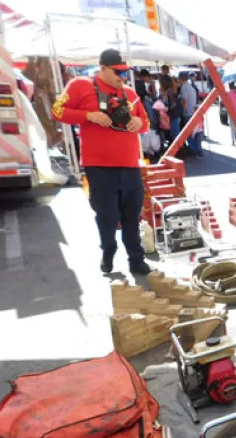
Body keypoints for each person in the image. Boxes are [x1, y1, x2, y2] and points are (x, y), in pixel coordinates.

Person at [51, 49, 151, 275]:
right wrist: (87, 116)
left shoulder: (129, 93)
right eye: (117, 72)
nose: (121, 77)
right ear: (103, 68)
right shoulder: (80, 85)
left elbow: (145, 122)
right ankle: (108, 252)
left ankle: (136, 260)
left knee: (131, 215)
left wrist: (138, 121)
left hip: (130, 166)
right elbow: (57, 110)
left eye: (124, 73)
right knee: (107, 217)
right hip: (100, 168)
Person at [179, 72, 203, 157]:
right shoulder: (191, 87)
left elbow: (184, 101)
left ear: (180, 79)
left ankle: (193, 149)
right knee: (194, 132)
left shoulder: (184, 88)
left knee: (189, 133)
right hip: (193, 112)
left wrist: (184, 111)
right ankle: (196, 149)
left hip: (188, 112)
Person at [159, 74, 181, 144]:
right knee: (173, 135)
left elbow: (173, 104)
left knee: (175, 136)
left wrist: (166, 108)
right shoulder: (166, 90)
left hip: (173, 115)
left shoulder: (169, 91)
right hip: (171, 116)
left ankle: (178, 152)